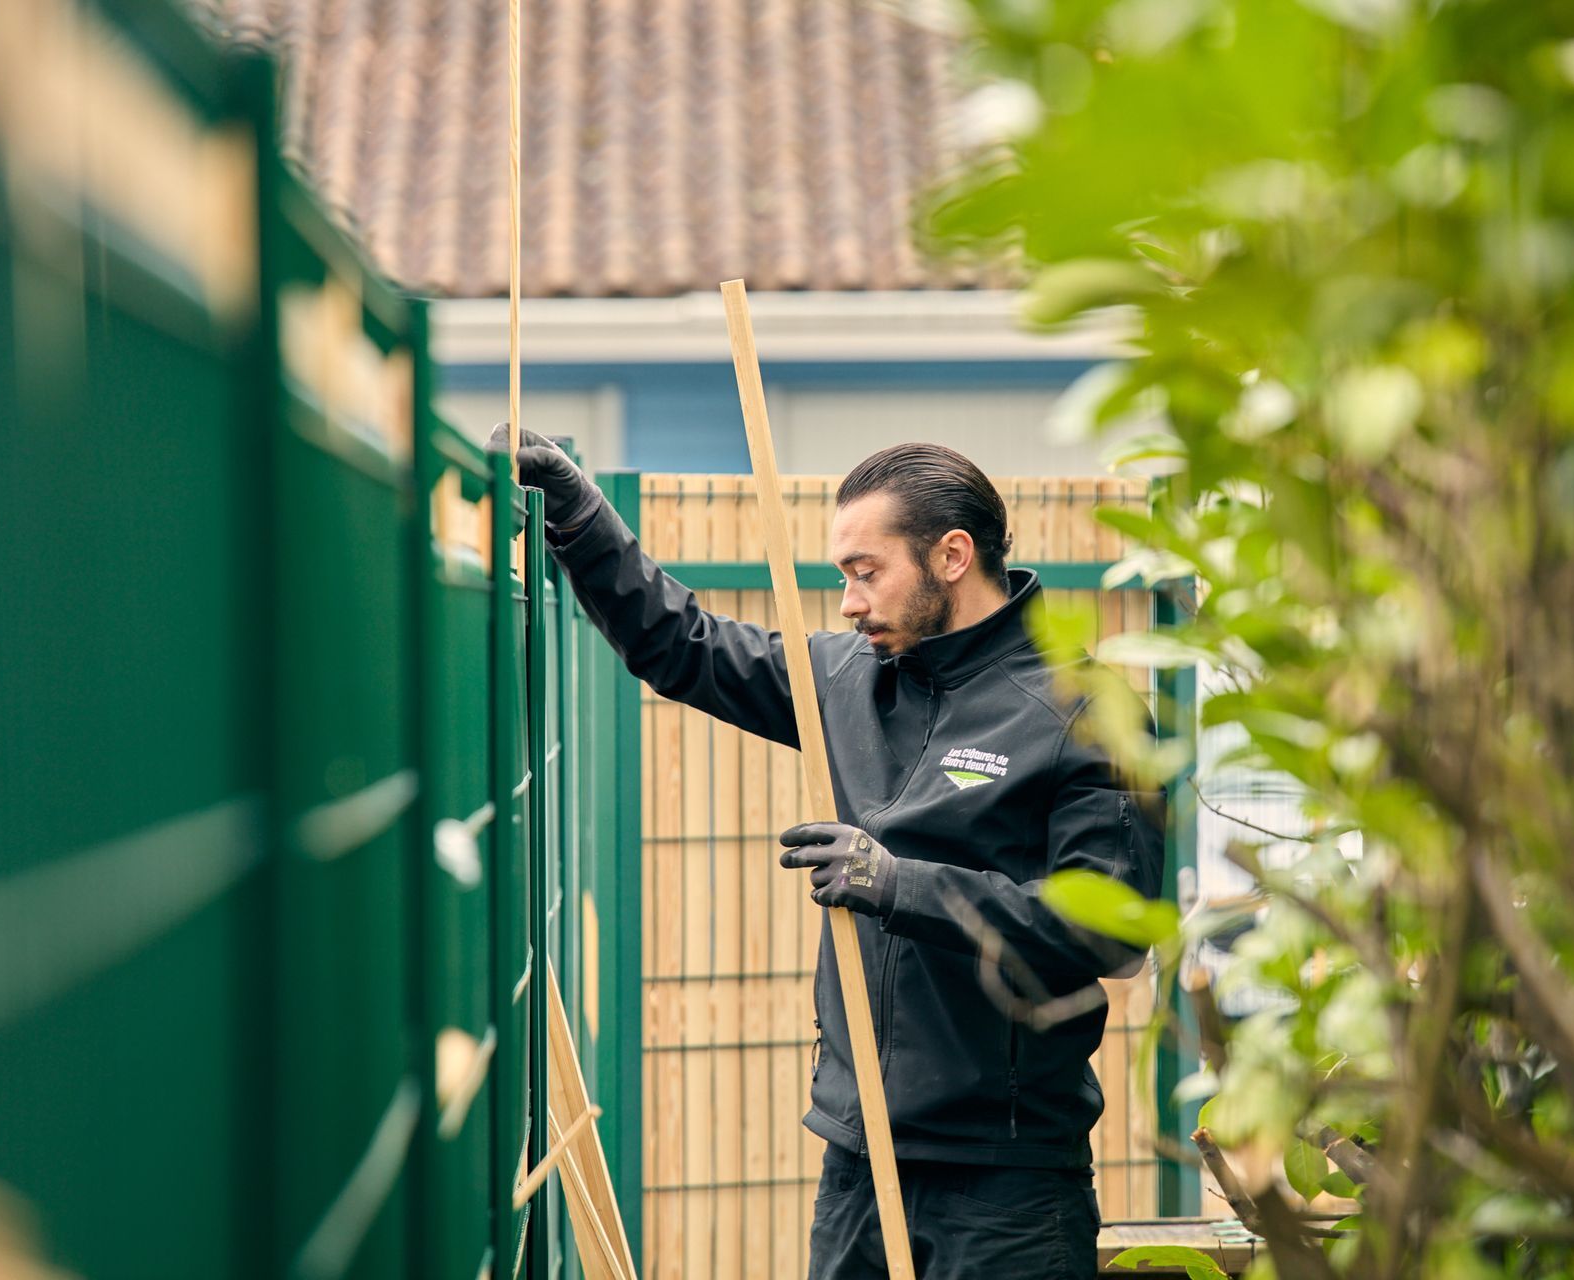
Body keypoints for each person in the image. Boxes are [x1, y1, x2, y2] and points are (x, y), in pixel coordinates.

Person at [489, 428, 1166, 1279]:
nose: (847, 602)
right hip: (856, 1163)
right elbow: (683, 646)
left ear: (952, 556)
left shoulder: (1084, 712)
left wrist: (899, 885)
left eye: (865, 572)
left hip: (1008, 1186)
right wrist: (581, 515)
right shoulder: (847, 680)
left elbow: (1111, 931)